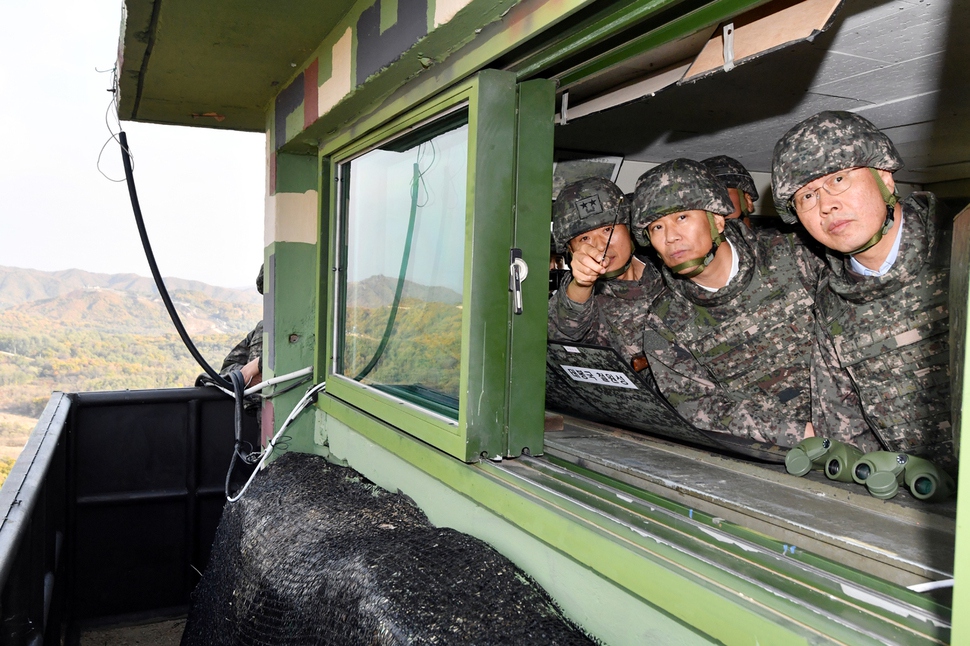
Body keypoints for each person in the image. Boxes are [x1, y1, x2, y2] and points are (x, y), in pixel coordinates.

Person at [631, 158, 863, 448]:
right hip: (777, 457)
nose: (671, 238)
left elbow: (859, 337)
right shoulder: (664, 320)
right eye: (656, 228)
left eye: (682, 218)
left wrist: (842, 427)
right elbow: (699, 408)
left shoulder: (797, 256)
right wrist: (802, 436)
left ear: (717, 220)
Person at [771, 110, 953, 468]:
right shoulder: (831, 301)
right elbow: (843, 431)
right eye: (806, 197)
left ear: (884, 178)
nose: (826, 206)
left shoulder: (958, 248)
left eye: (838, 179)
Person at [547, 177, 662, 366]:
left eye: (608, 229)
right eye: (584, 238)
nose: (601, 246)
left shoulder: (667, 272)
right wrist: (582, 284)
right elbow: (563, 330)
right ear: (571, 250)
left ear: (629, 228)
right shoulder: (580, 297)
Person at [701, 155, 759, 227]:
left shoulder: (774, 238)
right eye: (706, 199)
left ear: (748, 201)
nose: (714, 204)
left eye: (723, 194)